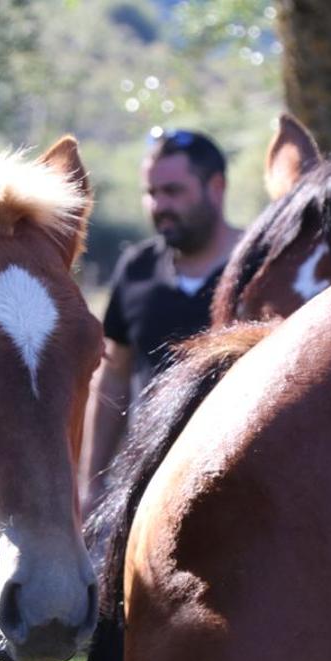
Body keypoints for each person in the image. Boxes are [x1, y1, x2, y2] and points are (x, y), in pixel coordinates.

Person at [78, 128, 242, 516]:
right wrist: (93, 483)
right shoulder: (137, 268)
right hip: (148, 489)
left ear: (215, 187)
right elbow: (114, 374)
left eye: (173, 191)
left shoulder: (262, 267)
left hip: (241, 483)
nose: (159, 205)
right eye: (151, 193)